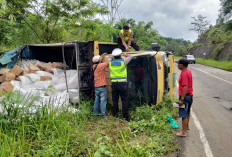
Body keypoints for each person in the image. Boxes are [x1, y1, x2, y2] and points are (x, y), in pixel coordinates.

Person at [109, 48, 132, 122]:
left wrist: (112, 56)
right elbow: (130, 56)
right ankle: (125, 118)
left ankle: (115, 115)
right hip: (122, 83)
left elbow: (109, 57)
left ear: (114, 56)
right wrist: (125, 54)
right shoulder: (123, 62)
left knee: (115, 100)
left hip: (114, 84)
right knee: (124, 100)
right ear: (120, 56)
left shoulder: (110, 62)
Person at [176, 59, 193, 137]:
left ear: (182, 65)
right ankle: (187, 127)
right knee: (188, 112)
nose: (177, 65)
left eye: (178, 64)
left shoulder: (184, 74)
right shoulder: (188, 71)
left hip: (185, 96)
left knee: (183, 114)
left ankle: (183, 132)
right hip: (189, 95)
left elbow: (185, 87)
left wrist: (182, 99)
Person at [92, 53, 110, 119]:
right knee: (103, 102)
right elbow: (108, 63)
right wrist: (110, 57)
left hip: (96, 87)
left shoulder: (94, 66)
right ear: (99, 60)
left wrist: (102, 56)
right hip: (102, 87)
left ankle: (95, 115)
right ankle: (103, 116)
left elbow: (99, 61)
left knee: (96, 101)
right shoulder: (101, 66)